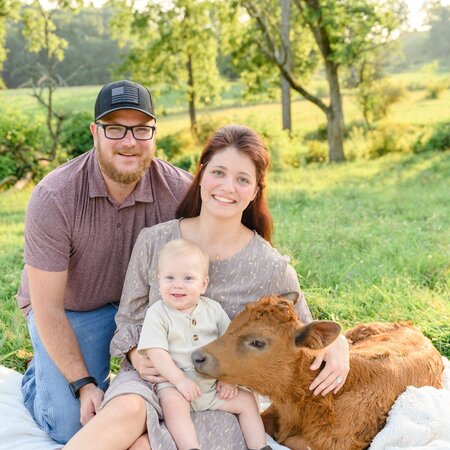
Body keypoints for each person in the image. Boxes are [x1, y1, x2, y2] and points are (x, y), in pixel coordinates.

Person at [65, 124, 350, 450]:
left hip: (217, 393)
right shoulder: (154, 240)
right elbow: (129, 319)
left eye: (243, 179)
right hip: (152, 377)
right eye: (218, 172)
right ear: (201, 175)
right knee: (128, 408)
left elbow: (301, 335)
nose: (228, 187)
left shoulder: (270, 267)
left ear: (255, 191)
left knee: (145, 446)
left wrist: (340, 343)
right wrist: (135, 353)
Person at [17, 80, 192, 444]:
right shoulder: (55, 197)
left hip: (144, 312)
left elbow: (236, 247)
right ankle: (40, 376)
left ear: (154, 133)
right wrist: (82, 384)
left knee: (186, 398)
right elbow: (47, 308)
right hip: (72, 310)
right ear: (95, 132)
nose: (129, 141)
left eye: (141, 129)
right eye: (115, 128)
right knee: (73, 424)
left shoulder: (180, 192)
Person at [138, 238, 271, 450]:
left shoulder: (214, 310)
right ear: (158, 281)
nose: (178, 284)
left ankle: (260, 446)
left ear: (204, 284)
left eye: (188, 278)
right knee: (173, 405)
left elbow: (230, 346)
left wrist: (228, 379)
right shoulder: (158, 313)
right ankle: (190, 446)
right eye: (169, 277)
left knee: (247, 401)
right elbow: (157, 352)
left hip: (210, 387)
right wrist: (180, 381)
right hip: (175, 385)